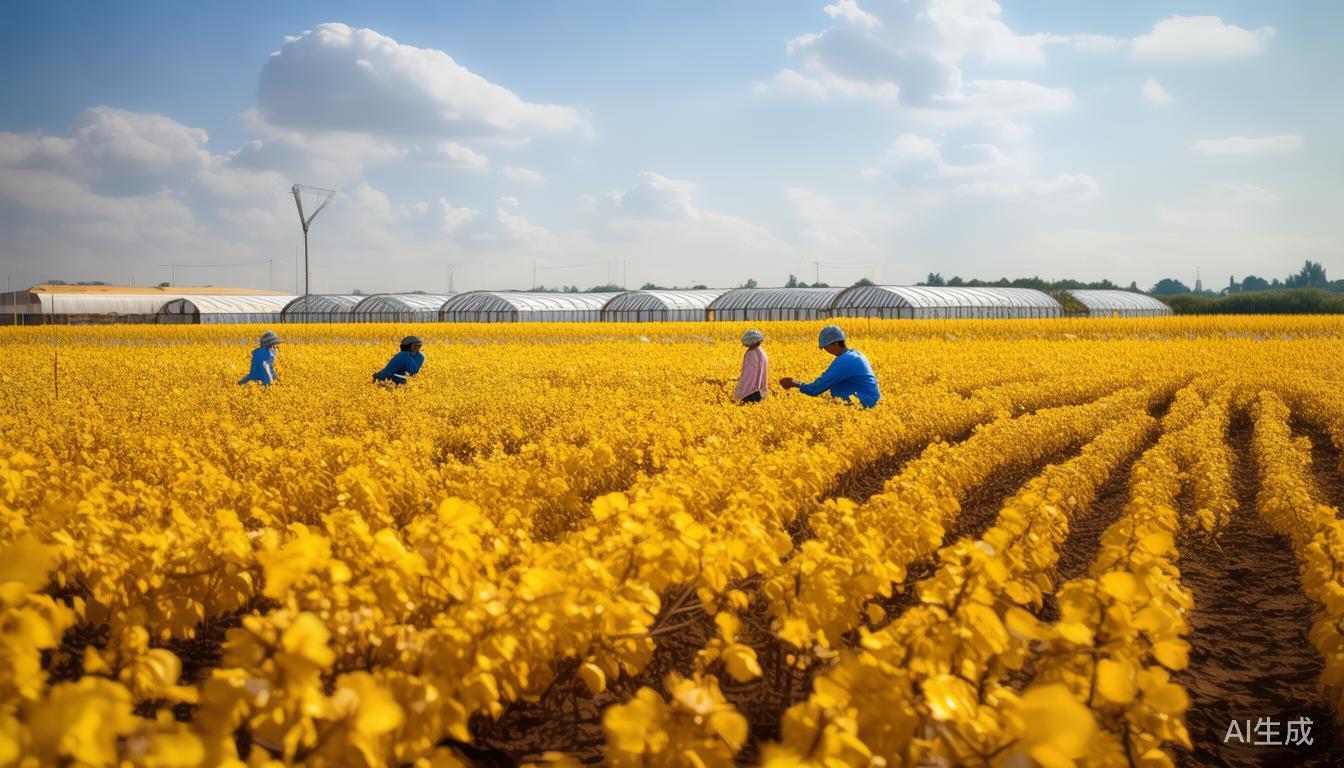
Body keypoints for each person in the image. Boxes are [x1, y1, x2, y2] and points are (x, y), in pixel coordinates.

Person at [779, 325, 880, 408]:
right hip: (867, 404)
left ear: (836, 344)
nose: (826, 351)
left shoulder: (845, 361)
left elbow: (816, 388)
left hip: (862, 407)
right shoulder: (855, 354)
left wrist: (794, 384)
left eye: (826, 347)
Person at [732, 329, 769, 403]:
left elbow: (750, 373)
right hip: (757, 389)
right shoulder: (761, 351)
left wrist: (742, 384)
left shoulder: (753, 353)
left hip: (750, 391)